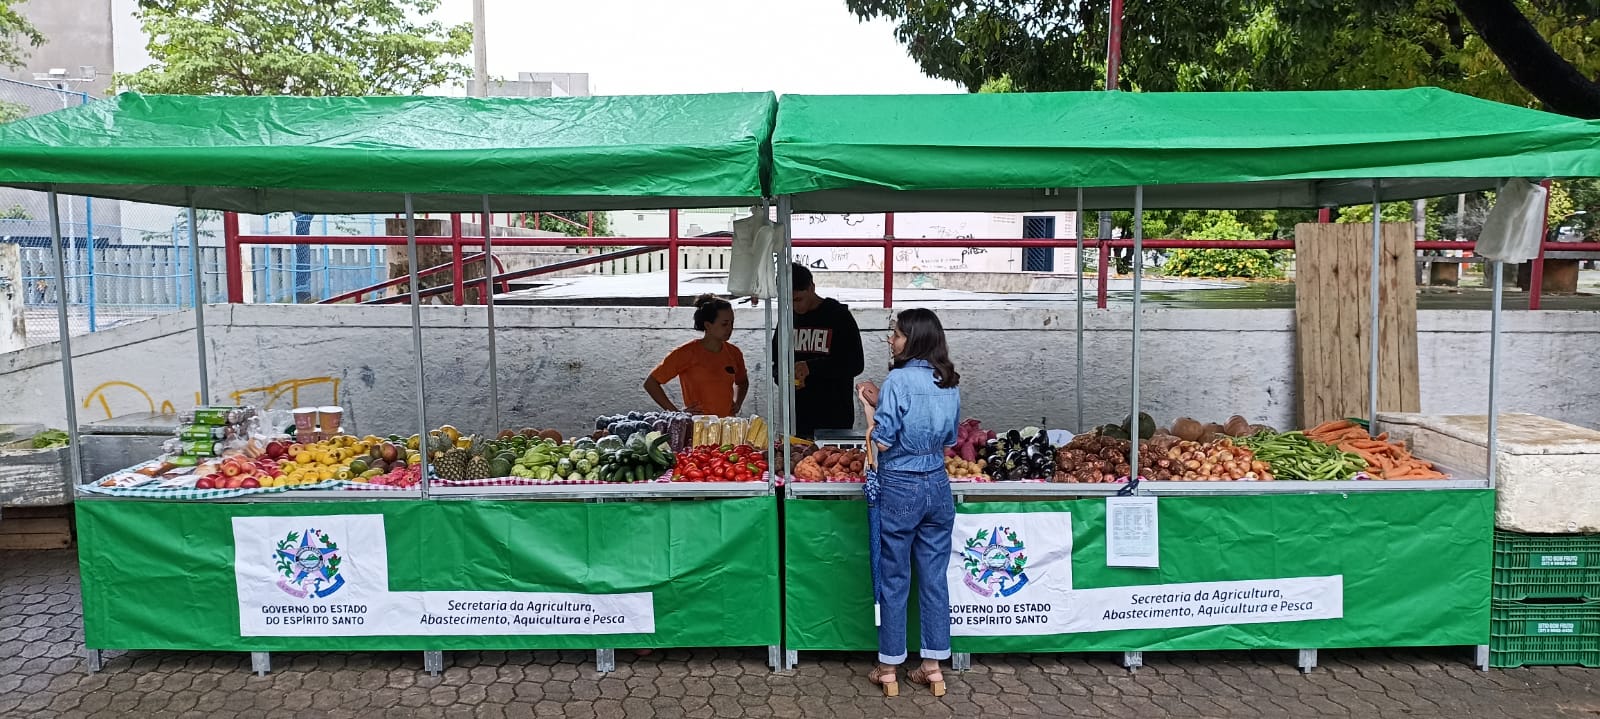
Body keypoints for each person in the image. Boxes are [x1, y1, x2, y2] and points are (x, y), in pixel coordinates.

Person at [855, 308, 960, 698]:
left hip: (900, 483)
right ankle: (932, 667)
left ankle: (888, 667)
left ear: (912, 339)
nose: (890, 339)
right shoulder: (947, 380)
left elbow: (881, 440)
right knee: (934, 578)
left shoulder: (898, 379)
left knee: (894, 576)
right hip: (937, 482)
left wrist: (870, 409)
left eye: (896, 334)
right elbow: (949, 436)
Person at [781, 263, 865, 438]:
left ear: (811, 287)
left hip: (834, 415)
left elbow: (855, 363)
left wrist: (811, 367)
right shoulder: (787, 319)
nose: (794, 306)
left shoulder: (838, 317)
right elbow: (777, 362)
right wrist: (784, 377)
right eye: (787, 300)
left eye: (797, 299)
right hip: (799, 416)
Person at [644, 294, 749, 417]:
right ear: (707, 325)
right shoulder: (686, 353)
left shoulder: (734, 353)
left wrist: (738, 403)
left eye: (732, 323)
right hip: (698, 426)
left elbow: (742, 382)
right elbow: (651, 383)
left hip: (727, 427)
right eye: (724, 324)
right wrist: (676, 413)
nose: (730, 328)